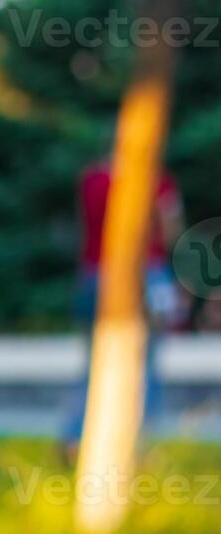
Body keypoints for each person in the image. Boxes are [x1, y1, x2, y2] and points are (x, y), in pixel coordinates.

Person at [59, 155, 184, 463]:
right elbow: (170, 230)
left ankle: (75, 437)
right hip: (146, 275)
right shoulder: (155, 178)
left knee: (94, 361)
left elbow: (82, 232)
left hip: (94, 274)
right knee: (145, 364)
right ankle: (136, 445)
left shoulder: (90, 179)